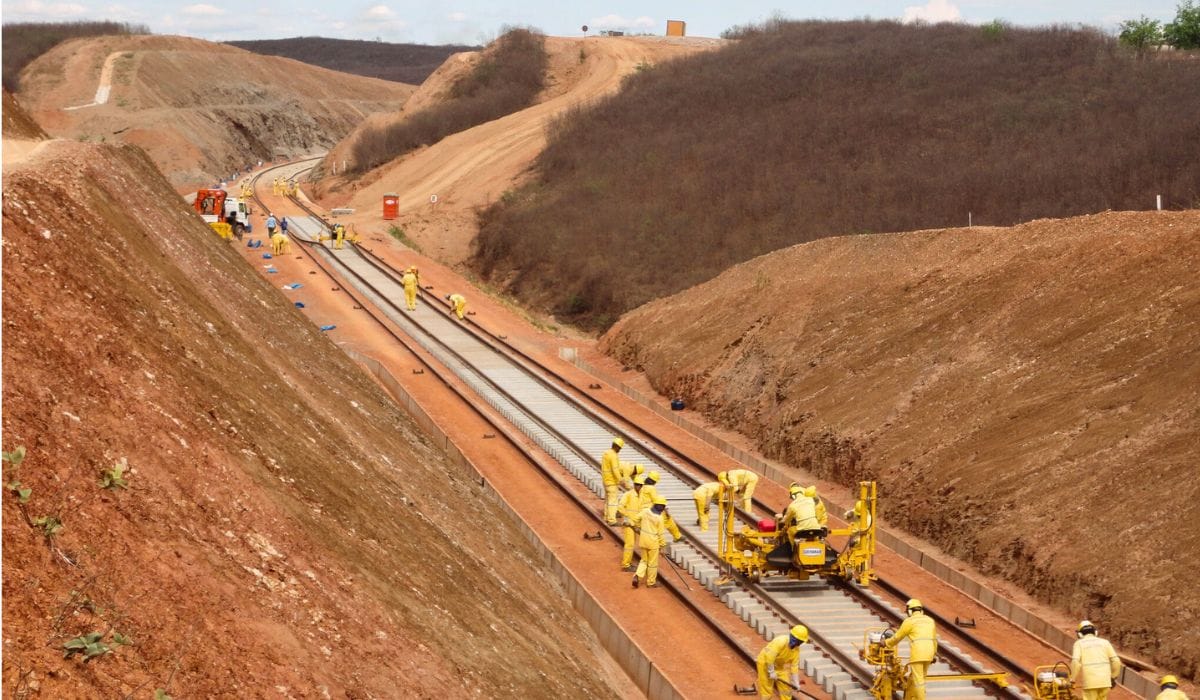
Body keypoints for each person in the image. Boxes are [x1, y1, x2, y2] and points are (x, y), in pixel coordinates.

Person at [886, 599, 937, 700]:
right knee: (921, 679)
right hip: (929, 653)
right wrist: (934, 654)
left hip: (918, 654)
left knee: (918, 681)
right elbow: (934, 640)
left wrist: (887, 643)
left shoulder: (909, 621)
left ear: (910, 611)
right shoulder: (930, 620)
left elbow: (897, 637)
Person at [631, 495, 680, 589]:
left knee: (644, 560)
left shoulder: (645, 511)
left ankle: (637, 576)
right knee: (653, 564)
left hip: (643, 540)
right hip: (653, 543)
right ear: (661, 507)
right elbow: (660, 534)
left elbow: (635, 519)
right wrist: (663, 547)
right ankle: (651, 582)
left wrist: (637, 527)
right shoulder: (659, 518)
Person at [1070, 621, 1121, 700]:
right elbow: (1116, 661)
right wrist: (1113, 677)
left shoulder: (1079, 644)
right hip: (1105, 682)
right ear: (1095, 632)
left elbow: (1075, 663)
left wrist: (1072, 679)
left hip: (1090, 683)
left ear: (1079, 634)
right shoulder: (1105, 643)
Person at [756, 625, 808, 699]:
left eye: (800, 641)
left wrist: (795, 683)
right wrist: (771, 671)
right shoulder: (781, 641)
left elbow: (794, 667)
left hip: (778, 666)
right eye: (797, 640)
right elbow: (770, 656)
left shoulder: (796, 650)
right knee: (767, 688)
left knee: (786, 689)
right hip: (765, 663)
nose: (798, 643)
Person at [617, 475, 647, 570]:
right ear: (634, 485)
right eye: (637, 484)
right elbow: (620, 507)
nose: (638, 486)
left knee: (635, 544)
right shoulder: (628, 495)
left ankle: (628, 562)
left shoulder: (643, 496)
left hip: (637, 524)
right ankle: (625, 565)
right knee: (629, 544)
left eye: (640, 485)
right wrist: (627, 517)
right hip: (629, 524)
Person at [600, 437, 624, 525]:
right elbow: (615, 470)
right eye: (620, 448)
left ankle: (606, 517)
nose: (619, 450)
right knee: (613, 502)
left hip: (605, 480)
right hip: (612, 482)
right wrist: (621, 480)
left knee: (607, 500)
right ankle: (611, 520)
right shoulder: (613, 456)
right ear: (617, 447)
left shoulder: (606, 453)